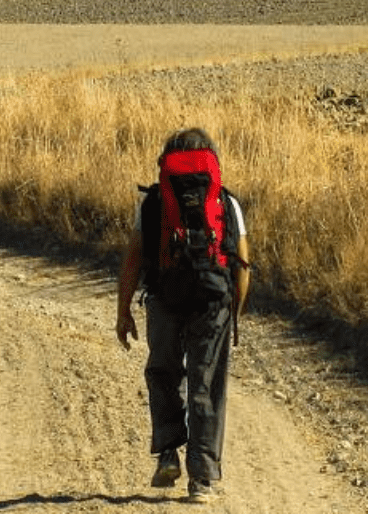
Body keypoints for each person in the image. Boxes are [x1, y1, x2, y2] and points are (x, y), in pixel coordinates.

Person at [116, 128, 251, 504]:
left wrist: (123, 311)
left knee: (163, 372)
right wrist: (234, 312)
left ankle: (167, 456)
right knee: (206, 384)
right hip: (213, 301)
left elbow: (132, 258)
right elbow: (242, 265)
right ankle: (202, 481)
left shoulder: (154, 202)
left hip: (164, 298)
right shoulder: (225, 202)